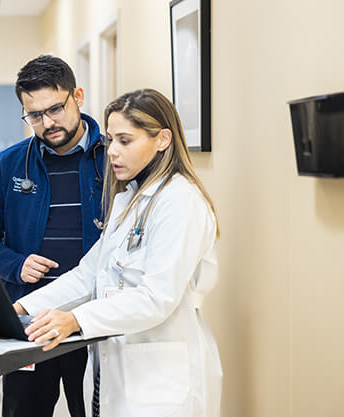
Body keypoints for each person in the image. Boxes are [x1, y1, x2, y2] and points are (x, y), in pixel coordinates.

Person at [14, 88, 222, 417]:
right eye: (110, 139)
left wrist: (75, 320)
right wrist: (22, 307)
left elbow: (157, 298)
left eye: (125, 140)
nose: (111, 151)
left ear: (162, 139)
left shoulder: (181, 202)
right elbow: (88, 275)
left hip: (162, 378)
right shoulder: (130, 198)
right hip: (119, 369)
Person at [0, 55, 105, 417]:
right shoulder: (9, 164)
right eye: (34, 115)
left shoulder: (114, 160)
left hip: (93, 320)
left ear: (78, 95)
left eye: (55, 109)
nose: (47, 123)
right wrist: (15, 264)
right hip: (31, 321)